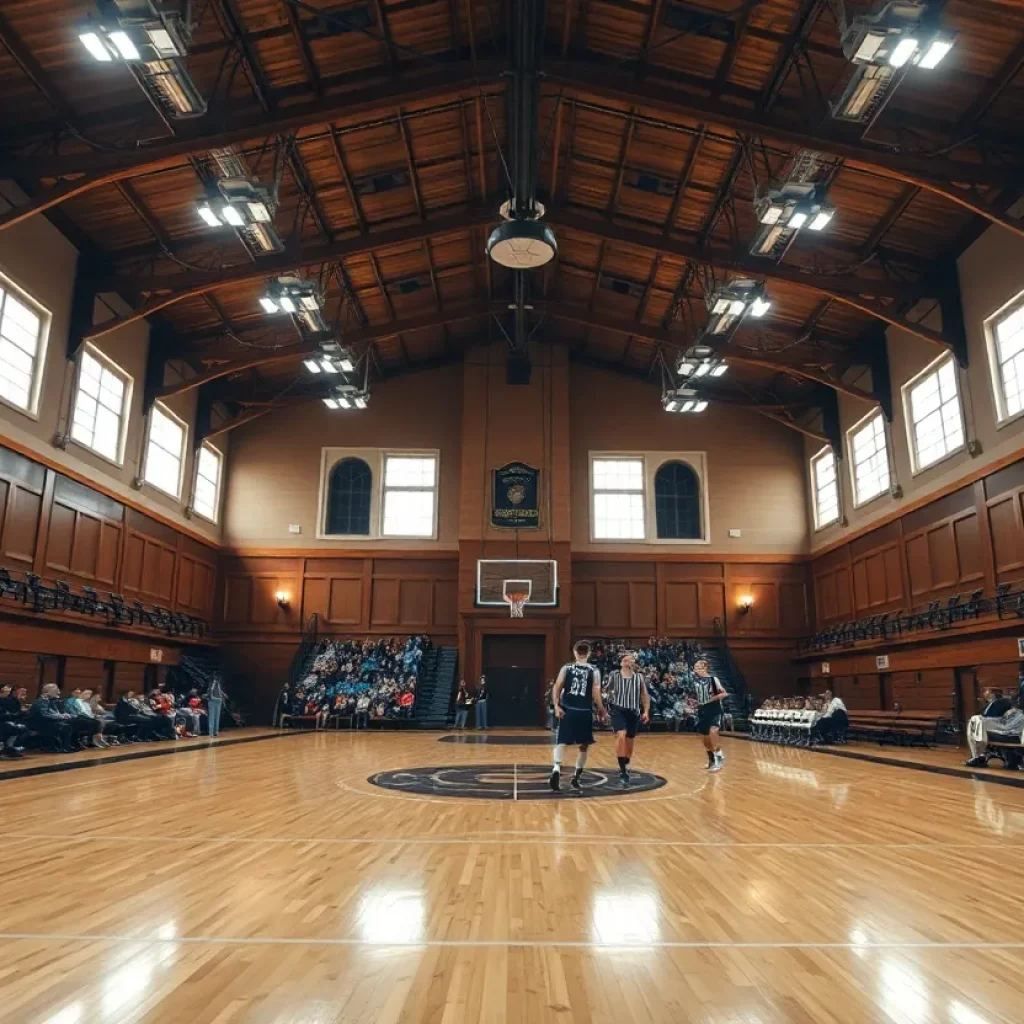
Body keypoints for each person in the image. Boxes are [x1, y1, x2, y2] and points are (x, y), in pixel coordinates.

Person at [550, 640, 607, 792]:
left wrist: (556, 706)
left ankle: (556, 768)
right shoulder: (593, 670)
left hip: (568, 709)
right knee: (583, 746)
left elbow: (557, 687)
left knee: (562, 742)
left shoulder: (566, 668)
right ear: (588, 654)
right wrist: (601, 709)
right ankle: (576, 777)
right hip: (584, 711)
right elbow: (596, 692)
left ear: (575, 653)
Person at [604, 651, 651, 786]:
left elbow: (644, 695)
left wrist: (646, 711)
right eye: (626, 660)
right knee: (621, 734)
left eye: (631, 660)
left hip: (633, 712)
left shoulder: (639, 678)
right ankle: (622, 769)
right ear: (621, 662)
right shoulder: (614, 675)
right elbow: (606, 690)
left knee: (630, 739)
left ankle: (626, 761)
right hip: (618, 710)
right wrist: (607, 701)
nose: (628, 662)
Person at [692, 659, 728, 772]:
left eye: (698, 667)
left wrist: (714, 697)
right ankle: (712, 760)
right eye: (695, 667)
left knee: (713, 734)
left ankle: (719, 760)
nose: (695, 669)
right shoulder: (696, 681)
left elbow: (724, 693)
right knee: (705, 739)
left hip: (714, 709)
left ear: (705, 667)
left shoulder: (713, 679)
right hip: (702, 710)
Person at [966, 697, 1024, 767]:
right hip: (1006, 727)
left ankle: (978, 756)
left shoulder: (1019, 715)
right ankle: (978, 756)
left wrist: (994, 731)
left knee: (979, 726)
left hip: (1013, 732)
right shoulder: (1008, 712)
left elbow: (1008, 730)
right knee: (976, 721)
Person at [28, 684, 74, 753]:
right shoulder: (41, 701)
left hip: (48, 722)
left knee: (72, 722)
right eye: (55, 691)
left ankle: (64, 746)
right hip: (39, 725)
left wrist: (62, 715)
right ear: (48, 692)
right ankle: (64, 747)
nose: (58, 693)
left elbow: (54, 713)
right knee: (65, 727)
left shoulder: (49, 701)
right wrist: (60, 716)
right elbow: (44, 715)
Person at [0, 684, 27, 759]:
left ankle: (10, 748)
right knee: (11, 726)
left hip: (6, 721)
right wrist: (19, 713)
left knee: (19, 727)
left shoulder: (4, 700)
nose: (8, 693)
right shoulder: (7, 700)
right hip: (4, 722)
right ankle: (8, 749)